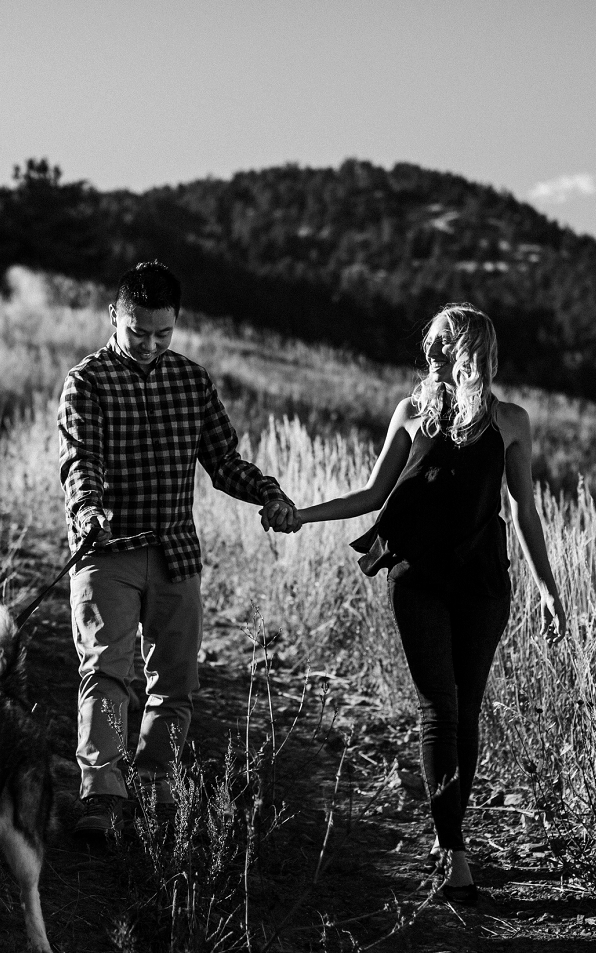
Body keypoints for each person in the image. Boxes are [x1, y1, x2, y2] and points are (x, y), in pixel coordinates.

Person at [292, 302, 566, 901]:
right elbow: (372, 494)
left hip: (485, 584)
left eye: (445, 346)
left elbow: (523, 508)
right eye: (430, 345)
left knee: (467, 710)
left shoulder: (511, 422)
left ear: (472, 354)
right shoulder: (412, 414)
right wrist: (302, 513)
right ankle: (453, 850)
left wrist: (548, 588)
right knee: (439, 706)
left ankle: (451, 833)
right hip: (418, 580)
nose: (432, 355)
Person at [58, 260, 298, 840]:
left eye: (163, 333)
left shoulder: (191, 380)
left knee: (175, 679)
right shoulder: (86, 382)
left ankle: (157, 783)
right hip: (107, 553)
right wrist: (89, 509)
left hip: (175, 555)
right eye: (138, 331)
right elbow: (79, 462)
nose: (149, 344)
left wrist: (268, 494)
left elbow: (223, 462)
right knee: (108, 672)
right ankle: (103, 795)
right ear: (114, 316)